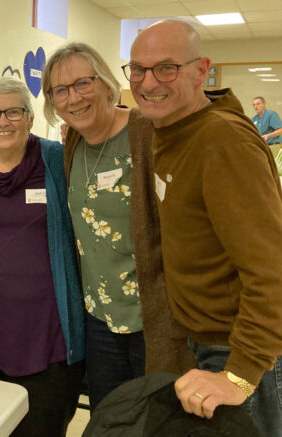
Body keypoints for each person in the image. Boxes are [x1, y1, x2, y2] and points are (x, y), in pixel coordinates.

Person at [128, 19, 282, 435]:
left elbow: (272, 270)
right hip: (205, 341)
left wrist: (240, 373)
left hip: (240, 352)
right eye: (137, 69)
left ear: (202, 71)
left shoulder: (223, 141)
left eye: (166, 68)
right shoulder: (173, 129)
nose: (148, 81)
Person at [41, 42, 195, 409]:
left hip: (156, 317)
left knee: (156, 421)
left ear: (107, 83)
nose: (73, 98)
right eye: (60, 90)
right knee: (109, 418)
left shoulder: (149, 132)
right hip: (100, 318)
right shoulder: (73, 142)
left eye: (82, 83)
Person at [0, 77, 83, 436]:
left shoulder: (57, 160)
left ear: (30, 117)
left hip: (45, 331)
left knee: (44, 425)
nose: (2, 122)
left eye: (13, 112)